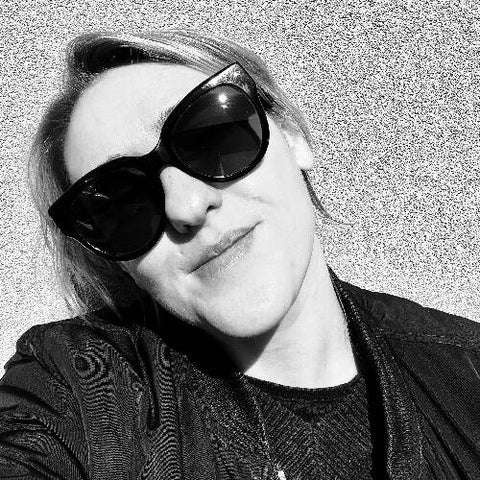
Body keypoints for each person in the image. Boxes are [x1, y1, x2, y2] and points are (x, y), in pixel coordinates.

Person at [0, 29, 479, 480]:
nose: (187, 206)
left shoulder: (468, 370)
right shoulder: (75, 383)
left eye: (211, 135)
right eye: (120, 203)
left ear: (293, 137)